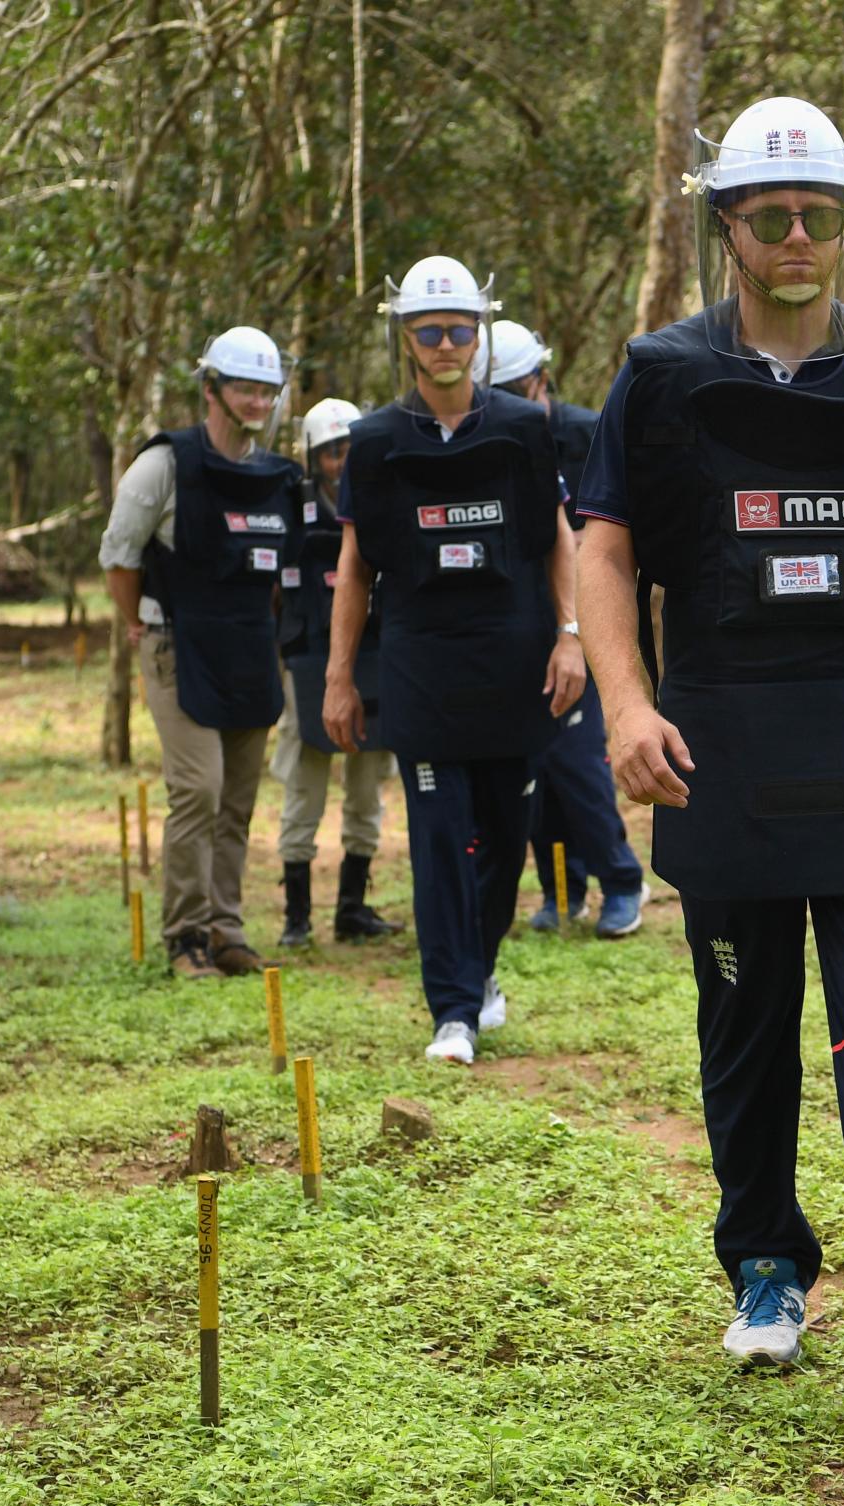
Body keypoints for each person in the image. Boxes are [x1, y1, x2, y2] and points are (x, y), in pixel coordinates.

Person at [572, 97, 844, 1415]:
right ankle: (766, 1271)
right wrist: (626, 706)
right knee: (746, 1028)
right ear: (728, 227)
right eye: (772, 217)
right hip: (722, 751)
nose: (800, 237)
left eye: (821, 213)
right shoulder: (659, 378)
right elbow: (603, 547)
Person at [323, 257, 587, 1064]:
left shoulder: (525, 427)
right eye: (429, 330)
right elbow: (355, 569)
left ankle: (479, 972)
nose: (445, 344)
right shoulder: (373, 441)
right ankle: (453, 1012)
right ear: (405, 336)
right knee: (439, 841)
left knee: (506, 839)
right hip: (421, 666)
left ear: (480, 334)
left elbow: (560, 541)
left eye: (459, 329)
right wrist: (339, 676)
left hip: (515, 664)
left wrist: (571, 634)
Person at [101, 327, 300, 980]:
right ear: (211, 389)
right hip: (176, 645)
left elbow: (282, 573)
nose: (257, 401)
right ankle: (184, 935)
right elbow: (119, 557)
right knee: (199, 789)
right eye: (244, 389)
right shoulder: (165, 465)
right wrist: (137, 622)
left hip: (249, 649)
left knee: (237, 798)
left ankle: (224, 929)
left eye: (267, 391)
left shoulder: (277, 477)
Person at [486, 320, 646, 939]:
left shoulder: (586, 433)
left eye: (515, 389)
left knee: (577, 764)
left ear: (541, 378)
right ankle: (562, 890)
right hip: (520, 625)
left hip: (583, 627)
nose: (508, 403)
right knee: (537, 767)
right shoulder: (490, 439)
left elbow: (608, 538)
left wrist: (577, 628)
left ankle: (622, 882)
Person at [271, 396, 403, 948]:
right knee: (303, 784)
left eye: (349, 449)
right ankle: (296, 915)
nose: (340, 462)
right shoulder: (290, 509)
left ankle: (352, 907)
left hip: (372, 660)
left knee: (367, 786)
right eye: (330, 452)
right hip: (307, 662)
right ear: (312, 456)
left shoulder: (381, 501)